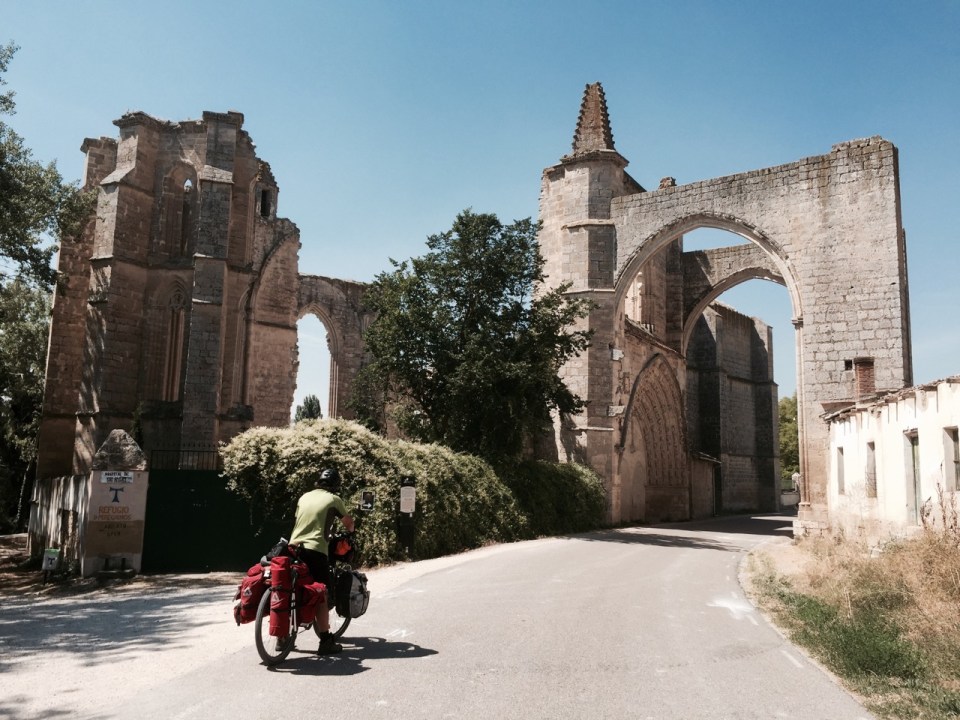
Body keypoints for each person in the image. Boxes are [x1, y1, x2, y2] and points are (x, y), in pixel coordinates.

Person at [288, 467, 355, 655]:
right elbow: (348, 523)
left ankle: (282, 637)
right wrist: (351, 532)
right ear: (335, 485)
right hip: (316, 550)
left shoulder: (304, 497)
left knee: (291, 588)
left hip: (293, 548)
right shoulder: (334, 499)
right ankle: (325, 640)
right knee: (321, 592)